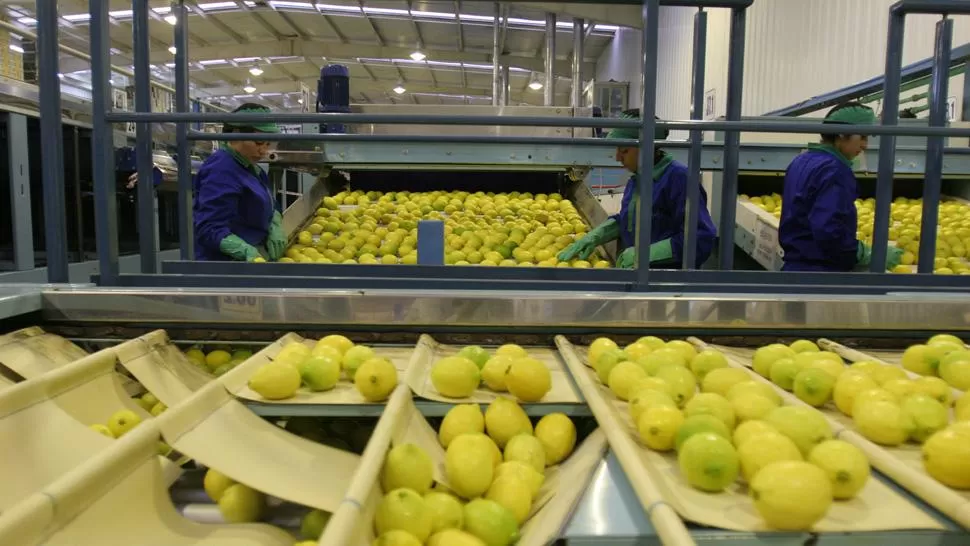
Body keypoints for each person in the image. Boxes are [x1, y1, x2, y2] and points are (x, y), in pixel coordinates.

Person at [558, 109, 717, 269]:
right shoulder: (639, 178)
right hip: (638, 275)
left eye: (624, 151)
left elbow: (700, 238)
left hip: (669, 281)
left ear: (648, 148)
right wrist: (595, 236)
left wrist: (644, 255)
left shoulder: (679, 179)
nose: (617, 157)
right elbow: (628, 220)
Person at [778, 102, 903, 271]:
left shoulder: (801, 160)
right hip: (820, 272)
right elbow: (827, 229)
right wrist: (861, 253)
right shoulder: (835, 171)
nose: (865, 145)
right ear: (842, 135)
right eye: (863, 138)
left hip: (795, 266)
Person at [194, 103, 287, 262]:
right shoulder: (220, 169)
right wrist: (243, 251)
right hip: (226, 266)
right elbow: (209, 228)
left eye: (268, 143)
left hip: (256, 253)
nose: (264, 151)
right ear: (236, 135)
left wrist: (275, 225)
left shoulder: (253, 168)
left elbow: (271, 202)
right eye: (258, 143)